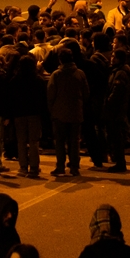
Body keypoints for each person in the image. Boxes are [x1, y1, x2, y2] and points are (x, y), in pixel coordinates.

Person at [48, 47, 89, 176]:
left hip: (59, 113)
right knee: (74, 141)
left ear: (60, 60)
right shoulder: (80, 74)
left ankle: (60, 166)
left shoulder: (56, 75)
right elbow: (86, 93)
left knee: (60, 141)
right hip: (76, 112)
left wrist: (52, 110)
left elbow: (50, 94)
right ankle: (74, 167)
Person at [10, 54, 47, 179]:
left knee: (21, 141)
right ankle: (34, 167)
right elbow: (43, 98)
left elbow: (11, 98)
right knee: (34, 141)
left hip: (19, 113)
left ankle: (23, 166)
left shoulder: (15, 80)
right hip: (34, 113)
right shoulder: (39, 80)